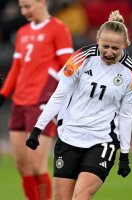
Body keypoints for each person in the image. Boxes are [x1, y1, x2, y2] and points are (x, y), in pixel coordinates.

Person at [26, 10, 132, 200]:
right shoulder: (82, 58)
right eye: (105, 46)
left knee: (81, 196)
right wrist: (38, 128)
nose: (109, 52)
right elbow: (59, 95)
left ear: (126, 45)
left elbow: (127, 115)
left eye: (115, 48)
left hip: (102, 140)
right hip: (69, 136)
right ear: (97, 39)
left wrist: (125, 155)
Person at [0, 0, 74, 199]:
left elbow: (68, 66)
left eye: (28, 6)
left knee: (36, 166)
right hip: (19, 102)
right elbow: (16, 68)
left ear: (42, 2)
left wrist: (63, 98)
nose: (24, 11)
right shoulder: (23, 32)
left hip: (41, 103)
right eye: (21, 7)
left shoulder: (58, 29)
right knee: (22, 167)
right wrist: (3, 95)